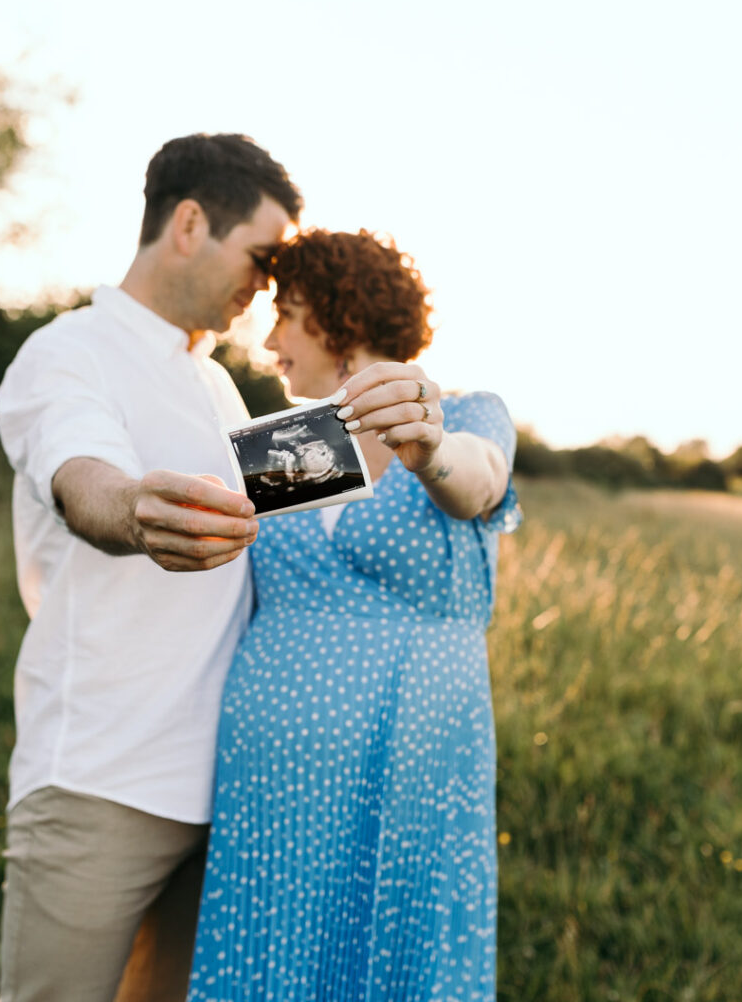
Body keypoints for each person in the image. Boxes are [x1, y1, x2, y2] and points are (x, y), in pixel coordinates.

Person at [0, 133, 302, 1002]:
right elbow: (82, 479)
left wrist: (422, 407)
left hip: (220, 789)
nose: (265, 284)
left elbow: (339, 469)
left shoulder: (219, 387)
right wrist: (135, 511)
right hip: (100, 784)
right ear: (191, 222)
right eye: (261, 257)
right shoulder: (66, 351)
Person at [189, 229, 522, 1000]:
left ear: (341, 319)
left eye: (288, 314)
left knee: (395, 941)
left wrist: (428, 447)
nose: (271, 340)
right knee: (274, 950)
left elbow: (477, 484)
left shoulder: (466, 414)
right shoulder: (302, 444)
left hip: (411, 753)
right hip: (271, 771)